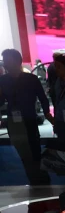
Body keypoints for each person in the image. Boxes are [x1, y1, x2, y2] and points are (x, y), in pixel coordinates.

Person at [0, 49, 51, 185]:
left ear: (16, 61)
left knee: (35, 152)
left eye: (7, 60)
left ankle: (42, 180)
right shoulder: (3, 80)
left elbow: (43, 98)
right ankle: (34, 179)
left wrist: (48, 114)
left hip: (29, 120)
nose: (5, 63)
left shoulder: (31, 79)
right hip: (14, 122)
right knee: (23, 153)